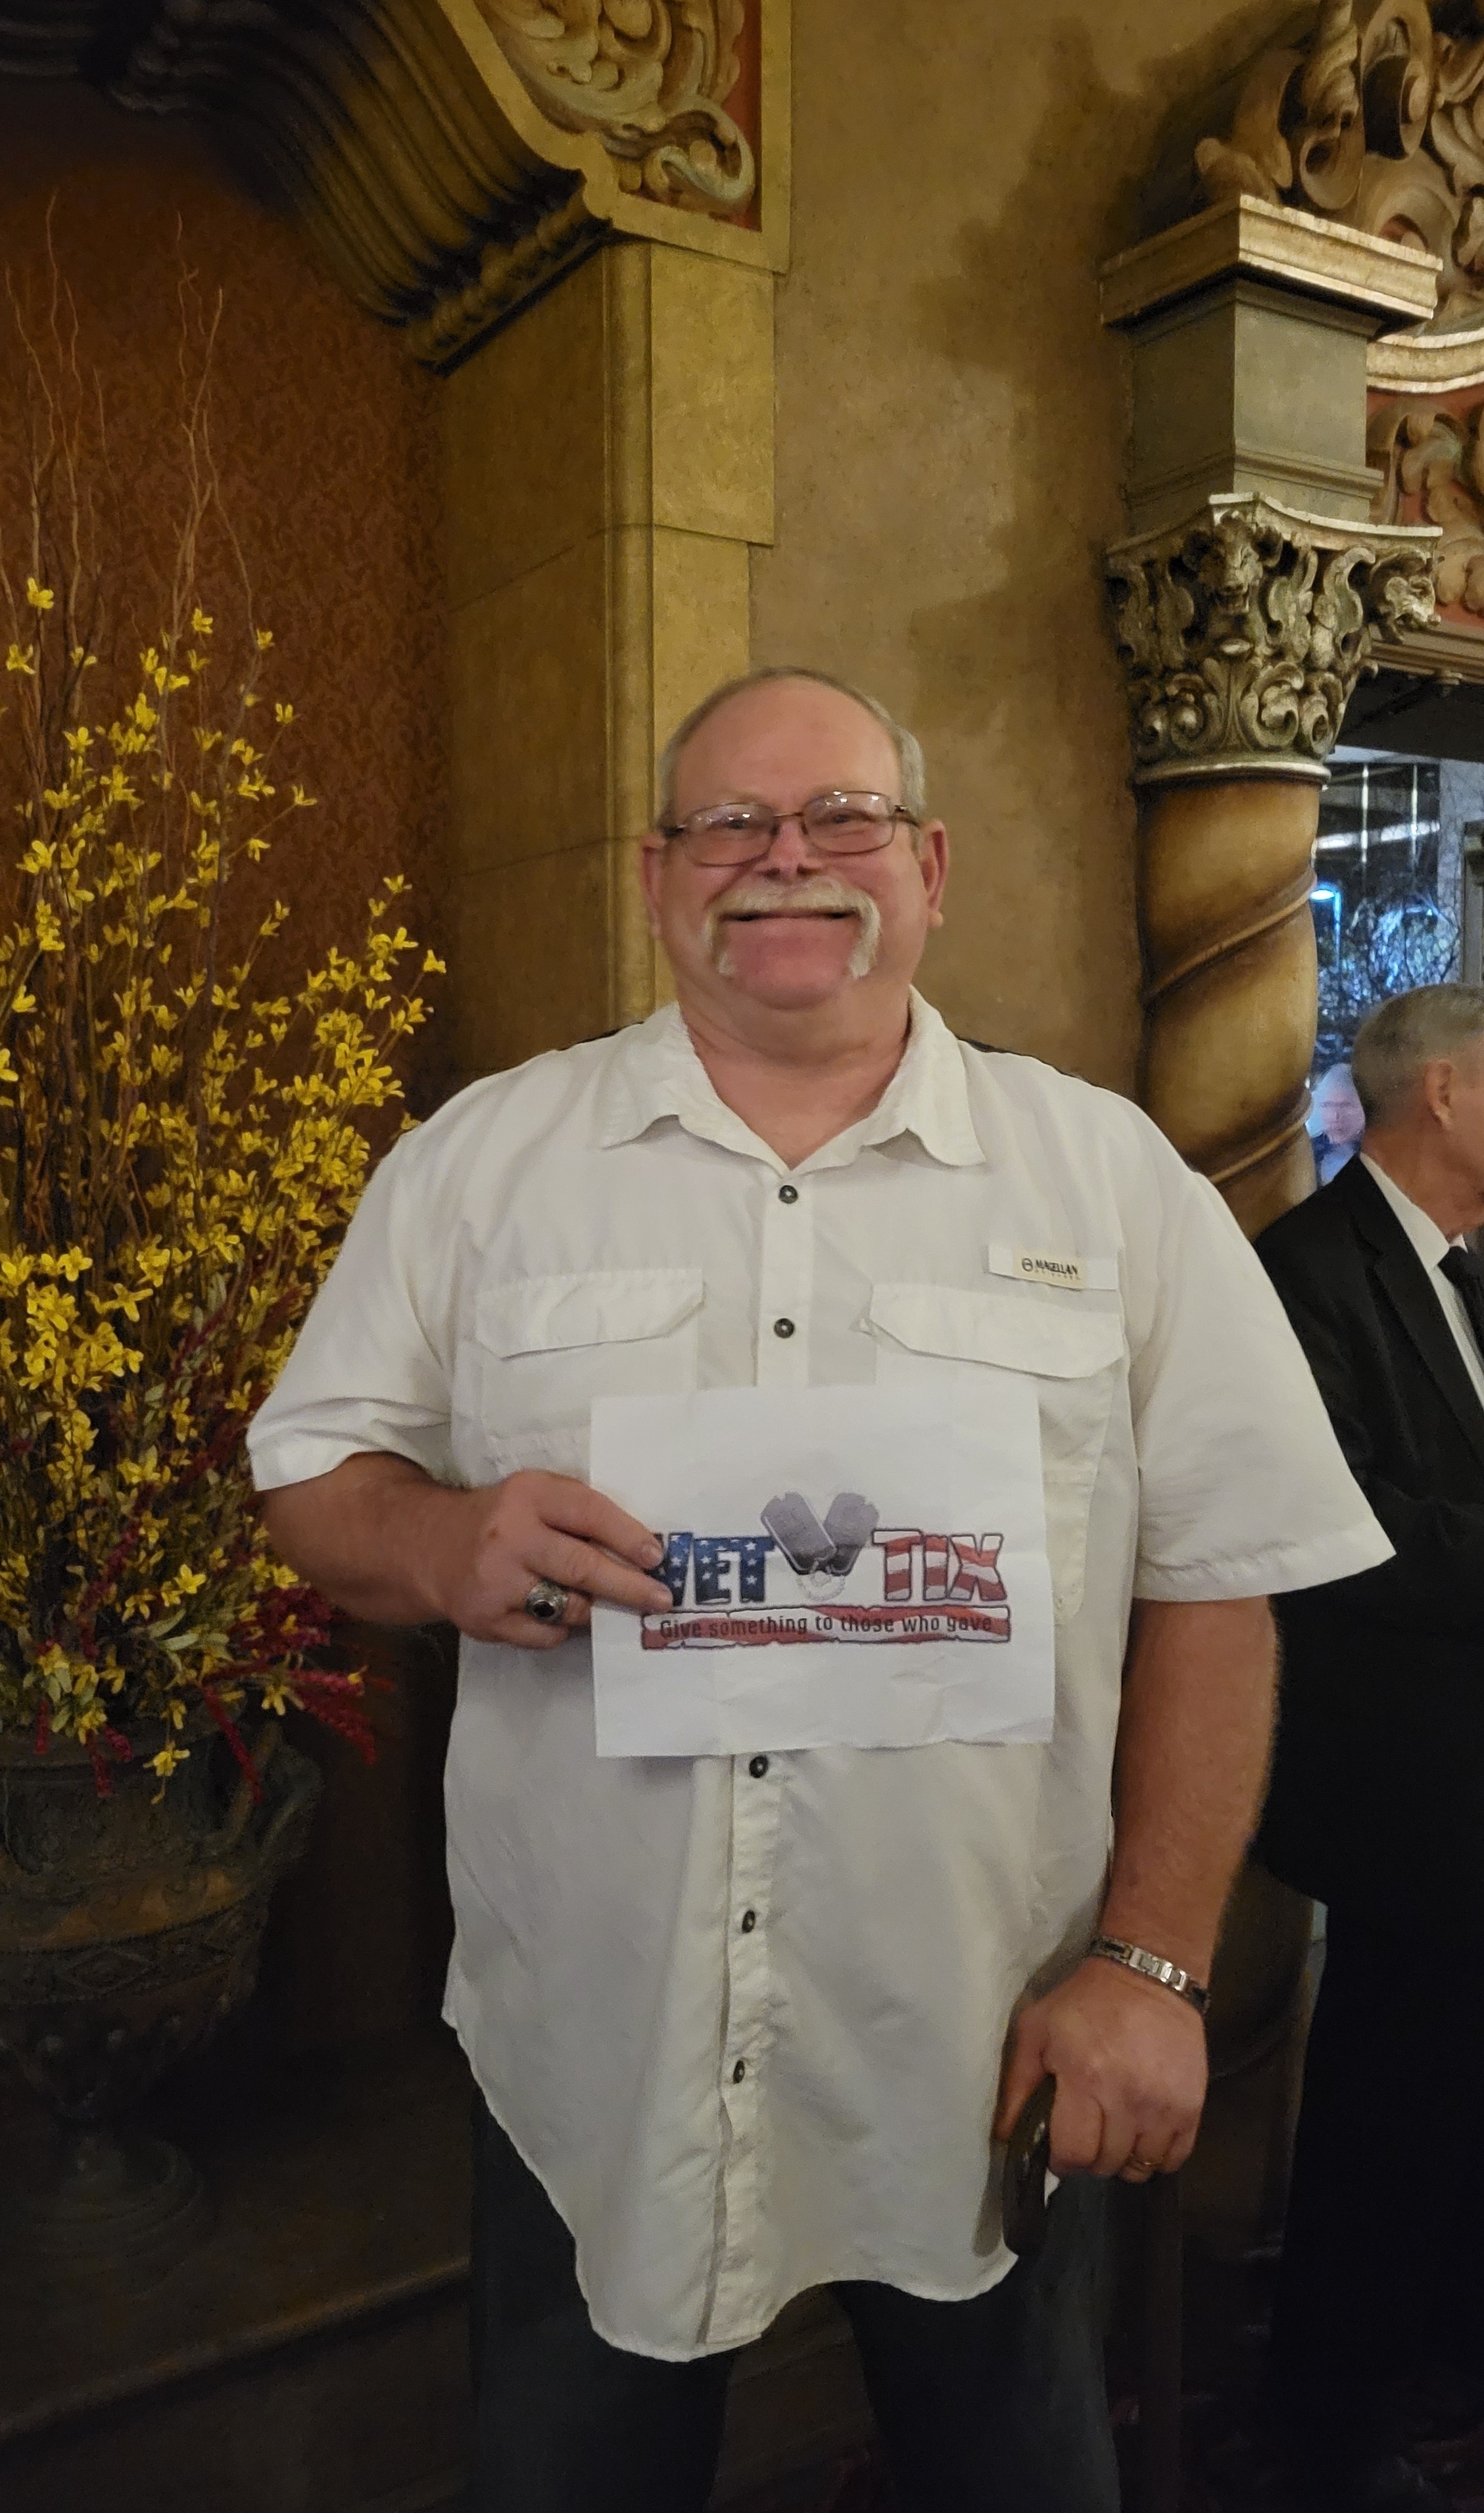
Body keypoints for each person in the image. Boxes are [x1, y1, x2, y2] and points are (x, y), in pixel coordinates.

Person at [249, 668, 1388, 2513]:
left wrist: (1149, 1961)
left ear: (927, 866)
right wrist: (441, 1544)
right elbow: (314, 1478)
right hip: (594, 2051)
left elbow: (1216, 1579)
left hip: (991, 2040)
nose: (786, 858)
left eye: (841, 817)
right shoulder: (483, 1165)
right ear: (656, 875)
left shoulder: (1106, 1178)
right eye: (729, 824)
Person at [1256, 983, 1484, 2513]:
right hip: (1397, 1788)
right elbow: (1326, 1525)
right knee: (1384, 2113)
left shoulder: (1471, 1267)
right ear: (1446, 1093)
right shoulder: (1303, 1269)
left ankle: (1447, 2356)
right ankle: (1326, 2432)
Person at [1308, 1060, 1366, 1184]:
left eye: (1345, 1105)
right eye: (1327, 1105)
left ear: (1364, 1106)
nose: (1335, 1115)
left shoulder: (1381, 1154)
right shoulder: (1306, 1153)